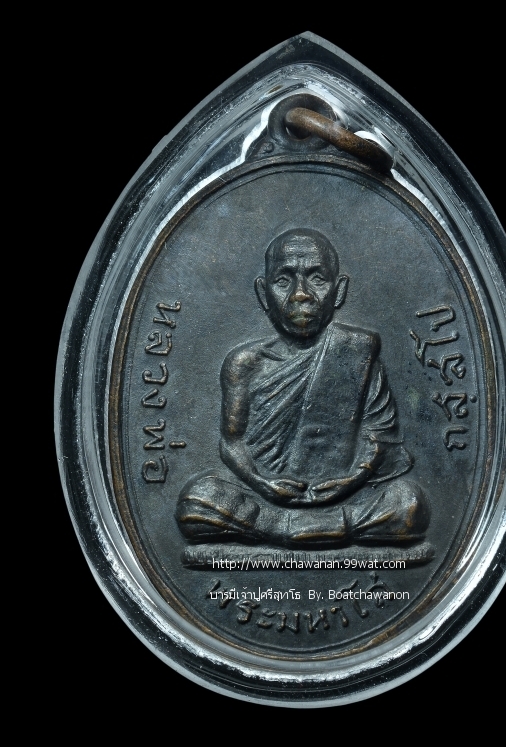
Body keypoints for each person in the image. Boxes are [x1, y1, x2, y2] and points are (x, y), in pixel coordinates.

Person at [176, 228, 430, 548]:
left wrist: (353, 480)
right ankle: (307, 526)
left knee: (409, 503)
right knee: (197, 500)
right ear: (263, 293)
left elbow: (378, 435)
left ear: (339, 291)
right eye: (284, 281)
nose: (300, 294)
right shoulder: (244, 363)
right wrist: (263, 484)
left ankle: (280, 528)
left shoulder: (357, 350)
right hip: (264, 496)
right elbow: (232, 443)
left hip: (346, 495)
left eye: (317, 279)